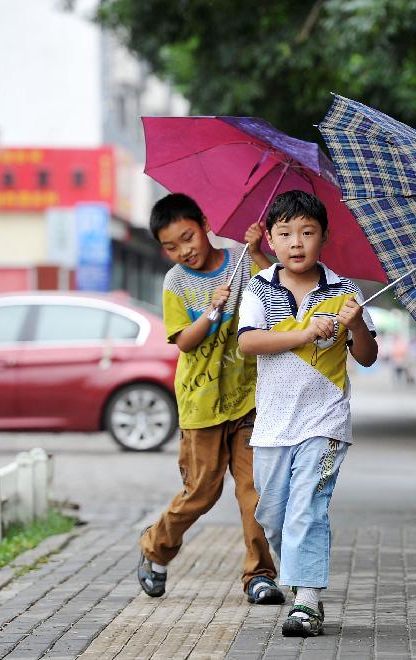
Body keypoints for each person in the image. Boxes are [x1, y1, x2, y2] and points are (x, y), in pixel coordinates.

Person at [237, 190, 378, 637]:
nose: (296, 242)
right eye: (285, 233)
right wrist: (303, 333)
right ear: (272, 242)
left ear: (323, 238)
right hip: (273, 426)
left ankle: (308, 603)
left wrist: (354, 323)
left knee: (307, 509)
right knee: (273, 515)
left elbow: (368, 356)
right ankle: (299, 580)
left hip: (325, 423)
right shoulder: (260, 287)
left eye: (307, 232)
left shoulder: (344, 291)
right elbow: (248, 343)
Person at [137, 192, 284, 607]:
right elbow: (184, 341)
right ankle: (156, 547)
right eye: (171, 246)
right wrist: (210, 311)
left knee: (254, 490)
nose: (184, 250)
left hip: (247, 399)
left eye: (188, 237)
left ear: (204, 223)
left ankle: (259, 575)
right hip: (201, 405)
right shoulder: (176, 282)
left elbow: (274, 292)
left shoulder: (239, 260)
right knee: (202, 491)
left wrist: (256, 251)